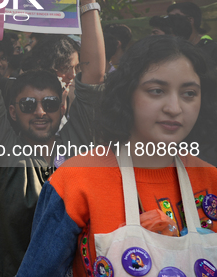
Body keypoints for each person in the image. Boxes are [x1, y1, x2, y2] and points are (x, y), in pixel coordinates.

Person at [17, 35, 217, 276]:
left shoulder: (211, 179)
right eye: (156, 91)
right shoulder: (74, 181)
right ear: (126, 95)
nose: (174, 108)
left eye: (189, 94)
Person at [0, 0, 105, 277]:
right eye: (29, 105)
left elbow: (94, 76)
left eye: (51, 103)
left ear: (64, 106)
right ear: (12, 112)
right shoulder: (2, 150)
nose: (41, 112)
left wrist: (87, 0)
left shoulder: (75, 144)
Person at [167, 1, 217, 66]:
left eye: (175, 17)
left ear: (190, 20)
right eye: (170, 18)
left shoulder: (212, 49)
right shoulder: (171, 48)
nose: (172, 22)